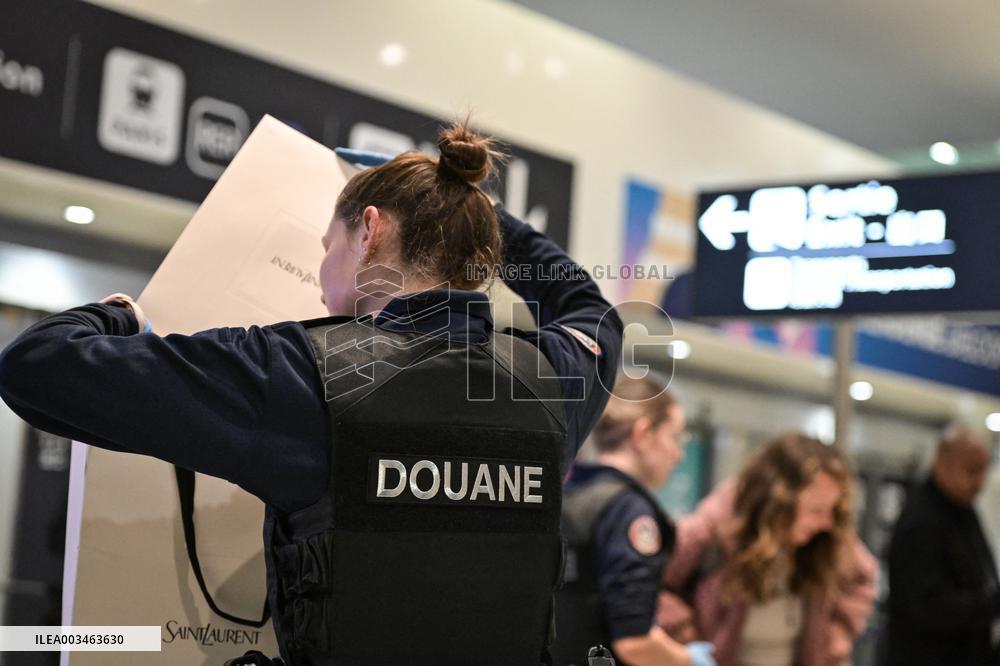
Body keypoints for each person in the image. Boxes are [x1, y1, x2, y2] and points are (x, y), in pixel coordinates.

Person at [0, 122, 624, 666]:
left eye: (328, 246)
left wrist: (115, 317)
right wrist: (475, 212)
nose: (324, 283)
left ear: (369, 232)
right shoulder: (553, 379)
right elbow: (593, 312)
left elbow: (36, 365)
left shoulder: (300, 370)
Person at [657, 433, 878, 666]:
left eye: (832, 510)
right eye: (816, 510)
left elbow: (863, 578)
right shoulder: (713, 530)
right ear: (780, 502)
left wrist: (831, 641)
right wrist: (687, 637)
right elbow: (653, 581)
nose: (827, 522)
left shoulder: (824, 542)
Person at [552, 375, 716, 666]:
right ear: (643, 435)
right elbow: (634, 642)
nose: (678, 455)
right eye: (675, 437)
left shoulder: (567, 494)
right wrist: (688, 659)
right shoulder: (629, 511)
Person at [884, 425, 1000, 666]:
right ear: (942, 463)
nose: (980, 482)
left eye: (984, 471)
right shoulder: (921, 519)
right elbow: (925, 606)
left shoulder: (963, 509)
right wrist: (991, 604)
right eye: (972, 470)